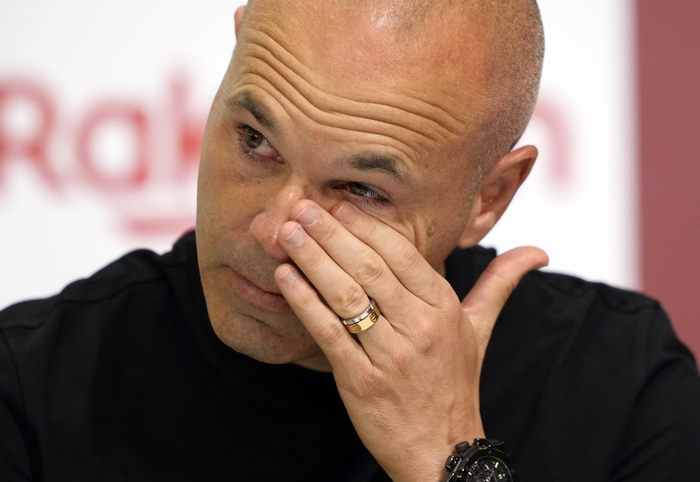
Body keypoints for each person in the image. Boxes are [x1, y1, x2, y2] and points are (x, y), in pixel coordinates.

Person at [1, 0, 699, 481]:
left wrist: (449, 460)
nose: (275, 230)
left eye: (362, 190)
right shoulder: (32, 384)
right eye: (255, 140)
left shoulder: (621, 384)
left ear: (488, 198)